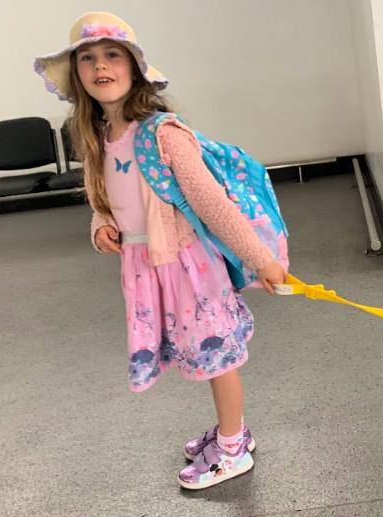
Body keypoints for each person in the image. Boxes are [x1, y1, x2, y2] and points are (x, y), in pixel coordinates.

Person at [34, 12, 288, 490]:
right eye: (87, 58)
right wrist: (102, 225)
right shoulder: (98, 136)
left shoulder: (163, 133)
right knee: (200, 351)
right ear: (77, 76)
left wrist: (262, 260)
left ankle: (233, 447)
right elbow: (105, 198)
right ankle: (232, 430)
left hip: (187, 266)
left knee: (218, 356)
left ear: (134, 69)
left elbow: (211, 204)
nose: (99, 65)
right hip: (145, 265)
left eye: (112, 55)